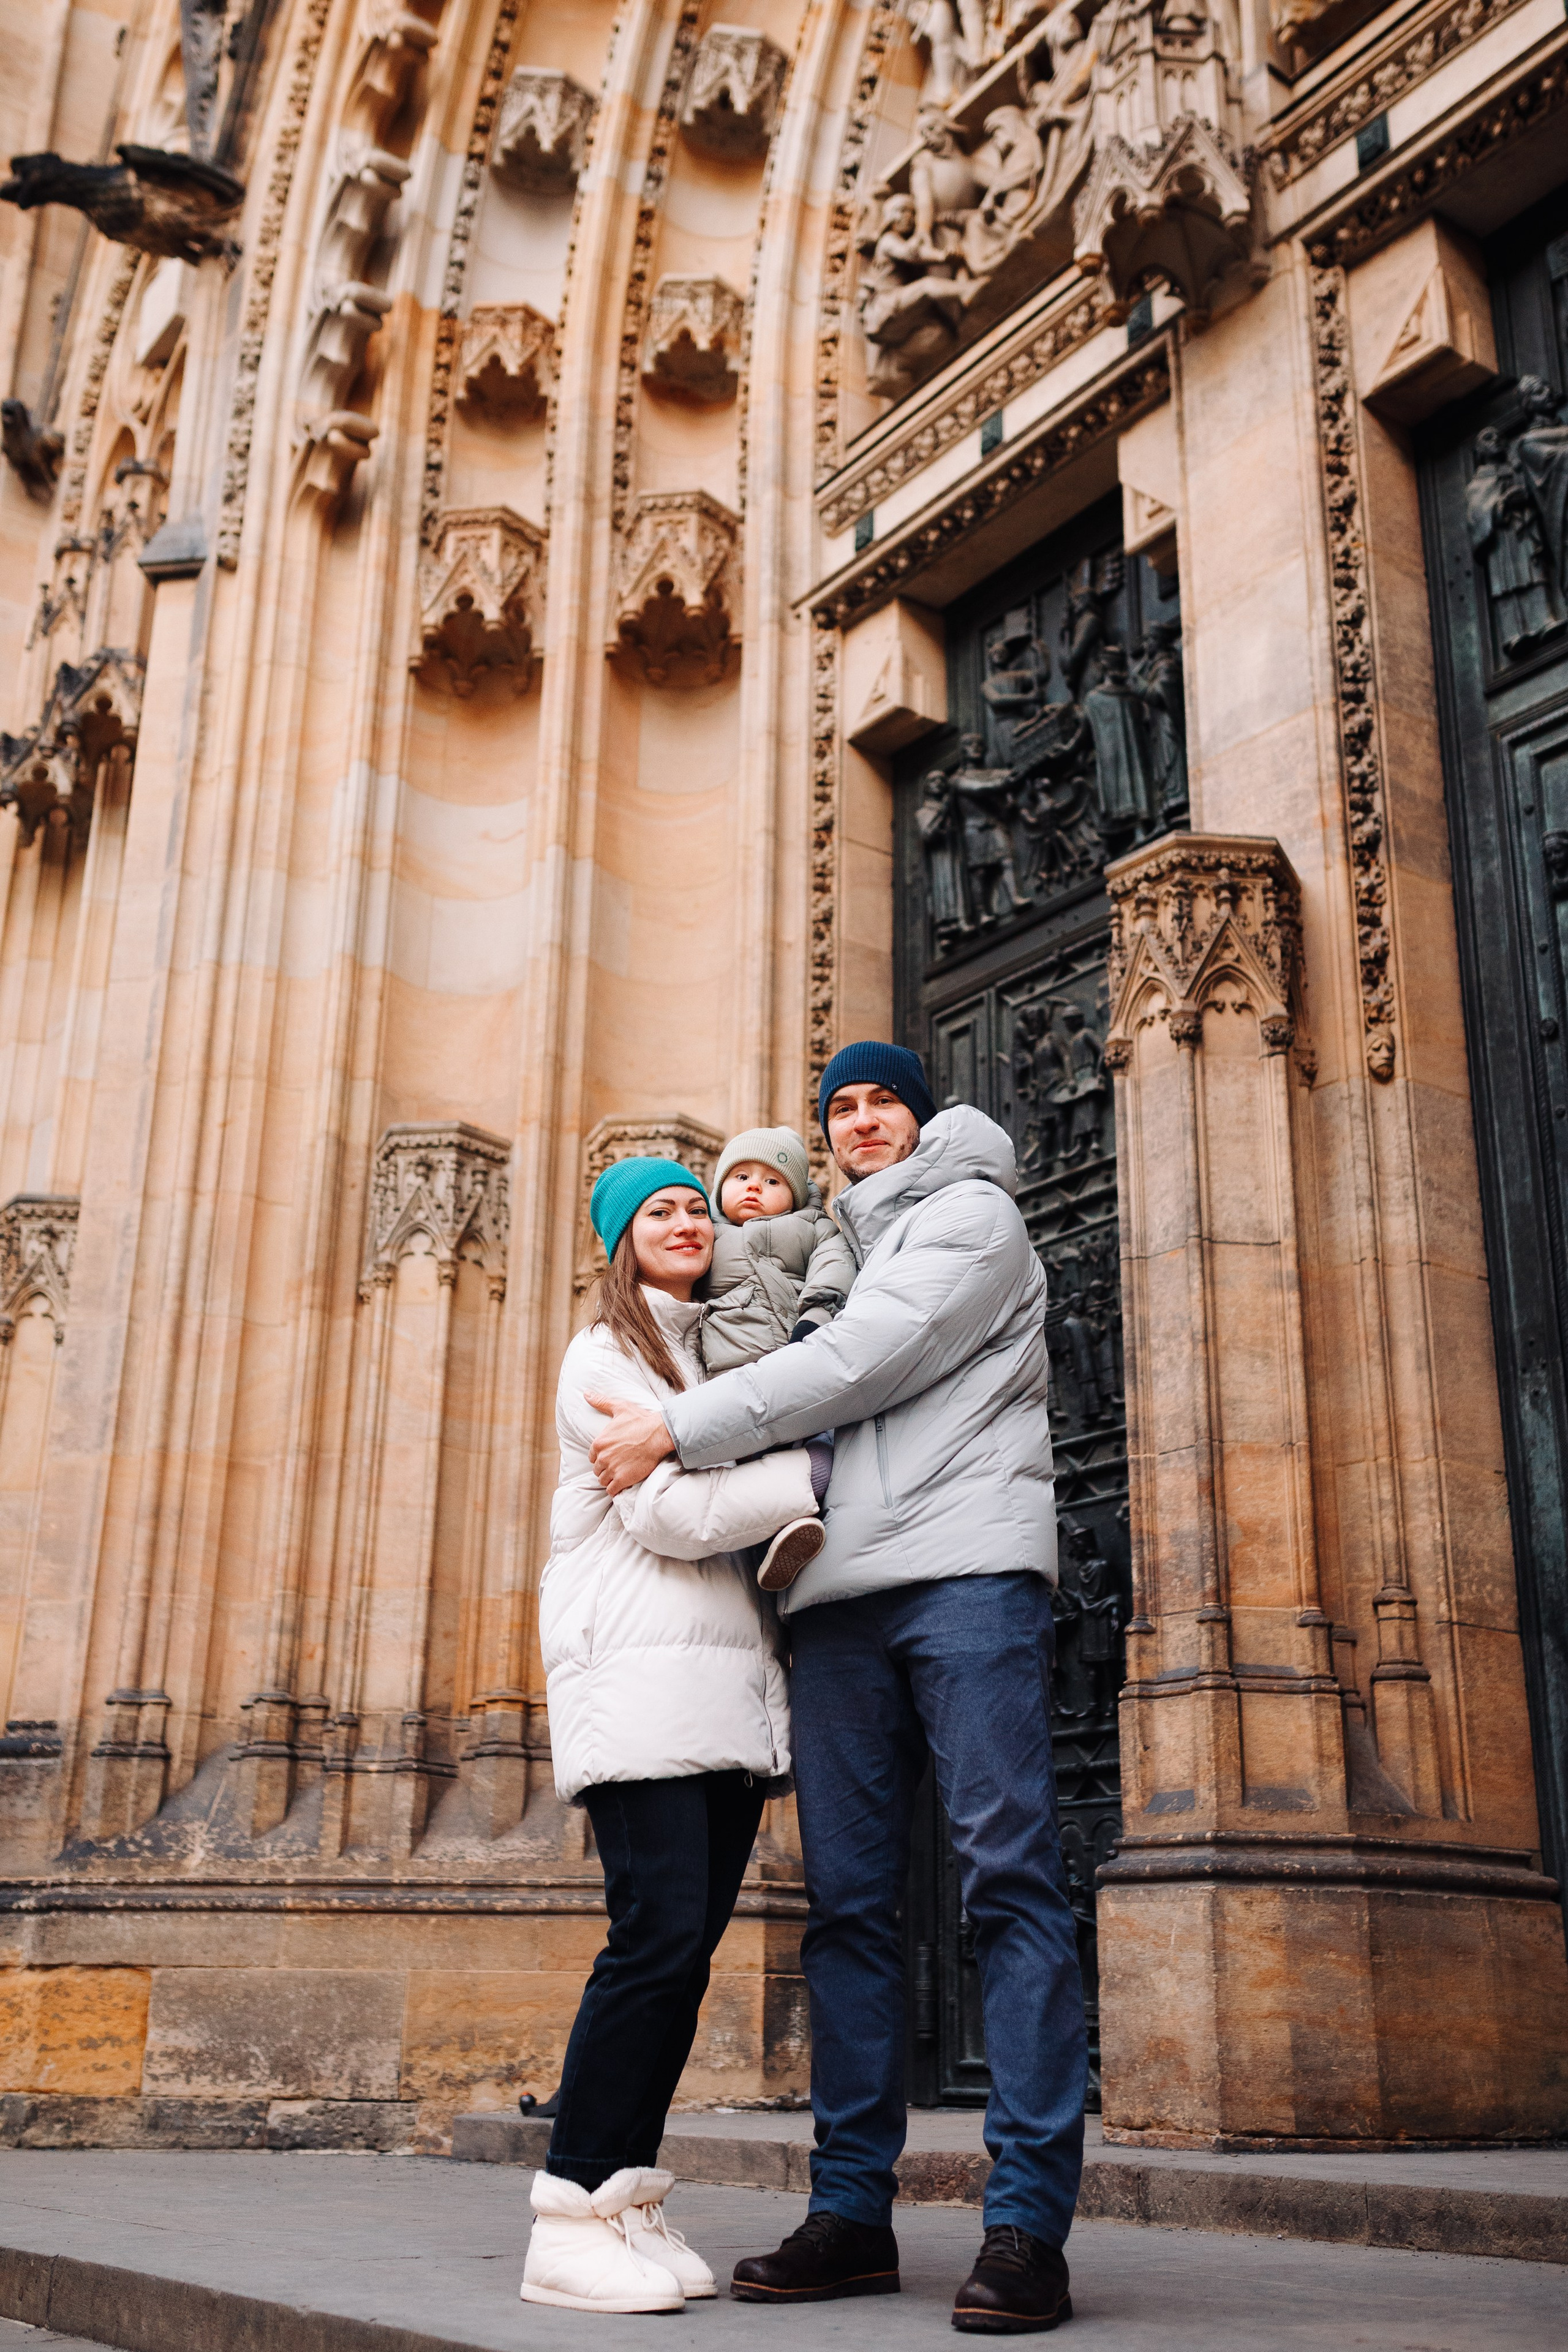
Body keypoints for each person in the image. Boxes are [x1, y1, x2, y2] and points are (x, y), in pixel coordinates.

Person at [588, 1046, 1086, 2334]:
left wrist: (678, 1430)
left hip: (965, 1575)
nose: (860, 1122)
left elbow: (867, 1359)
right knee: (848, 1912)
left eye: (880, 1101)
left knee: (1008, 1882)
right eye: (840, 1109)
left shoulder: (967, 1215)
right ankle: (850, 2213)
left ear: (924, 1115)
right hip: (837, 1605)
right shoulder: (827, 1240)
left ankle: (1026, 2225)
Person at [523, 1156, 827, 2316]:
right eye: (659, 1208)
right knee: (651, 1943)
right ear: (619, 1238)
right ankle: (568, 2208)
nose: (687, 1220)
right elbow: (665, 1510)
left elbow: (704, 1495)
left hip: (719, 1696)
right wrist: (813, 1469)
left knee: (685, 1953)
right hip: (640, 1689)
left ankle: (627, 2202)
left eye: (696, 1205)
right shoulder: (604, 1355)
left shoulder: (707, 1358)